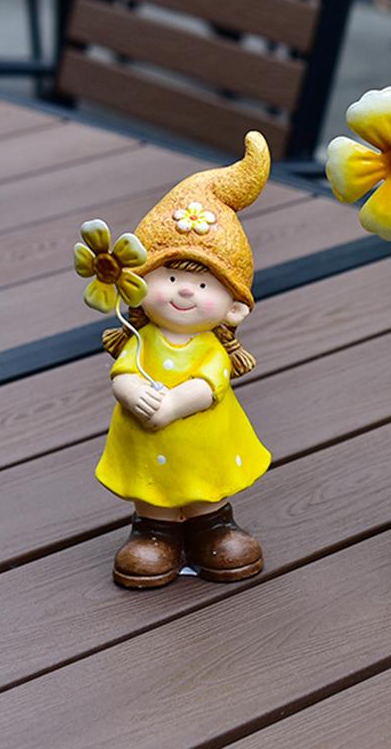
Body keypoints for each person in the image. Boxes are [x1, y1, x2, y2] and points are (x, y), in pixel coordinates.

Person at [94, 133, 272, 589]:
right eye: (169, 276)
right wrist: (132, 392)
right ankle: (154, 534)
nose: (185, 291)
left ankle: (213, 528)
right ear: (136, 284)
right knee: (153, 489)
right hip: (146, 443)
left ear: (235, 308)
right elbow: (122, 374)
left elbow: (209, 386)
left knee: (204, 485)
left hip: (201, 443)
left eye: (205, 284)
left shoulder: (210, 348)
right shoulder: (142, 339)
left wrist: (173, 405)